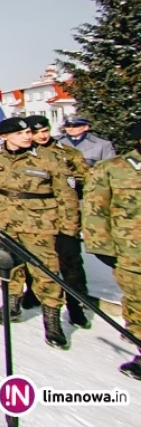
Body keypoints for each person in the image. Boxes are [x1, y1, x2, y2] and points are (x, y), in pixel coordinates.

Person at [0, 118, 79, 350]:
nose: (28, 136)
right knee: (8, 266)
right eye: (21, 133)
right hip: (0, 220)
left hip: (39, 223)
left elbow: (67, 196)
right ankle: (11, 307)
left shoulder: (49, 158)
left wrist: (69, 231)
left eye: (29, 132)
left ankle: (52, 321)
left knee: (46, 270)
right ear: (5, 136)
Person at [83, 122, 141, 380]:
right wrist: (102, 248)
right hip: (132, 251)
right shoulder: (112, 169)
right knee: (138, 300)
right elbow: (95, 211)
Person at [22, 115, 91, 327]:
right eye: (35, 132)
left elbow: (86, 178)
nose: (41, 136)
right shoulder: (22, 155)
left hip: (63, 215)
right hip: (33, 218)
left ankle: (75, 303)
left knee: (69, 259)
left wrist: (66, 184)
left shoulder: (67, 153)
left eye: (45, 131)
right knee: (33, 259)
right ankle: (34, 293)